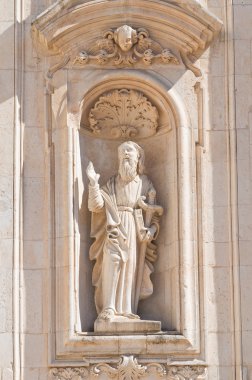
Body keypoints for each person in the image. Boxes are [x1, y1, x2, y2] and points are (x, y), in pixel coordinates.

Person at [86, 141, 161, 320]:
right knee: (113, 261)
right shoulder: (111, 183)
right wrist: (93, 184)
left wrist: (151, 229)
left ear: (138, 158)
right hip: (114, 226)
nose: (125, 155)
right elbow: (95, 206)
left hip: (134, 229)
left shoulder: (144, 183)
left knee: (130, 268)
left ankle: (127, 309)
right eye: (122, 152)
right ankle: (109, 307)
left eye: (129, 151)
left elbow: (154, 213)